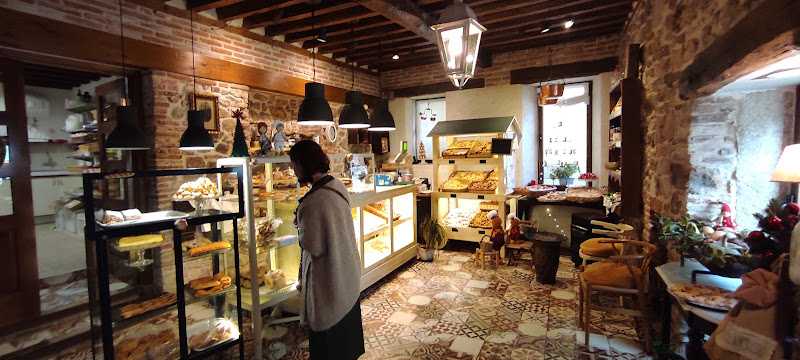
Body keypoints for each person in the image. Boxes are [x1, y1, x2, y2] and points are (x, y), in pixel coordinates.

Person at [289, 140, 364, 360]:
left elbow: (314, 245)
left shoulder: (311, 203)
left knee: (329, 348)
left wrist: (299, 227)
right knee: (347, 340)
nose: (292, 170)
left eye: (294, 165)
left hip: (328, 281)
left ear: (303, 164)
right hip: (347, 272)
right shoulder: (337, 185)